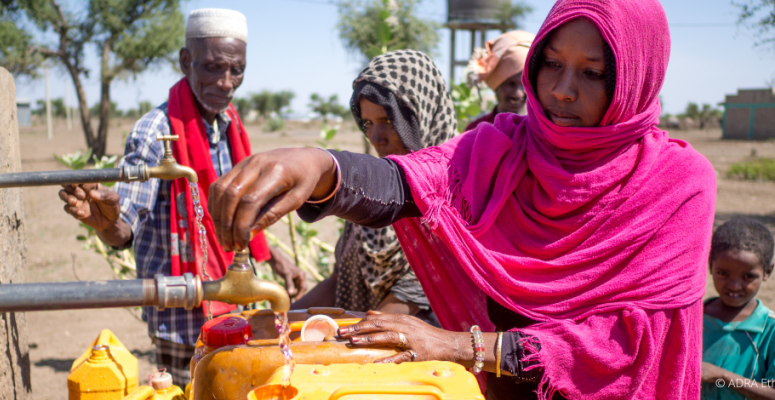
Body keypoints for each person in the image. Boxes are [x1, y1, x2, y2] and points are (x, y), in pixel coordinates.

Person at [208, 0, 716, 398]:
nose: (561, 90)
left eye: (593, 73)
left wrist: (459, 345)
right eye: (553, 64)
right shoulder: (502, 147)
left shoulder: (677, 185)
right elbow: (408, 183)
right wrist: (321, 166)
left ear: (635, 79)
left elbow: (626, 345)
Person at [57, 8, 305, 386]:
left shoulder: (230, 123)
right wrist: (106, 222)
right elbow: (124, 229)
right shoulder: (155, 131)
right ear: (186, 62)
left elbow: (232, 215)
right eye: (213, 68)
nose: (226, 82)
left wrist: (276, 260)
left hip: (237, 303)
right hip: (182, 315)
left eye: (236, 70)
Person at [291, 50, 456, 324]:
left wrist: (337, 340)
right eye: (368, 123)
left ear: (422, 115)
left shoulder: (450, 199)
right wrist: (276, 322)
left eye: (388, 121)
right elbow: (337, 282)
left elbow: (405, 302)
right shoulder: (372, 195)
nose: (376, 137)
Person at [702, 218, 775, 400]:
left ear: (767, 271)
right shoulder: (692, 318)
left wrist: (722, 376)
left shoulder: (769, 330)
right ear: (711, 265)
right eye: (723, 273)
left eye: (747, 276)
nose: (734, 286)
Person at [465, 30, 535, 131]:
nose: (518, 94)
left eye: (524, 84)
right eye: (511, 84)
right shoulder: (475, 131)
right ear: (496, 84)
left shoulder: (545, 133)